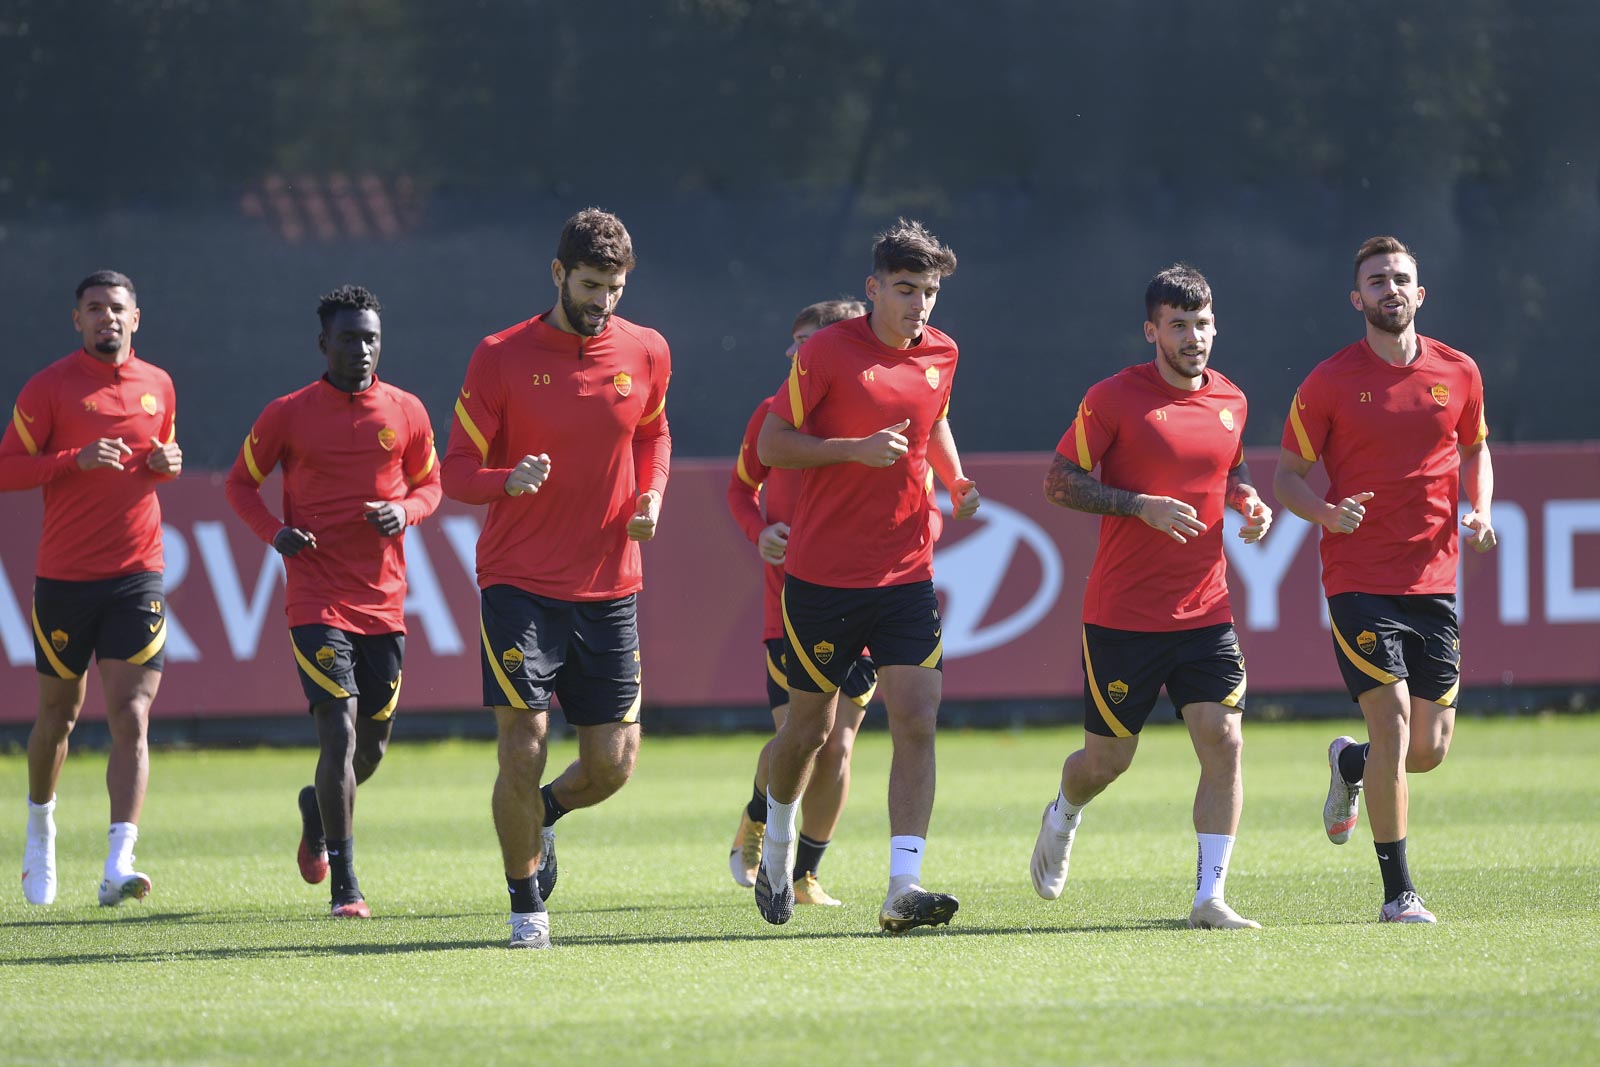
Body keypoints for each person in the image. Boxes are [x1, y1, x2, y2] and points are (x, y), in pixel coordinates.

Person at [442, 208, 671, 950]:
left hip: (611, 583)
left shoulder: (647, 349)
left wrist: (651, 495)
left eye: (615, 287)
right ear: (558, 275)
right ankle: (526, 909)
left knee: (613, 765)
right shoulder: (500, 356)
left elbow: (654, 432)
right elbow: (455, 472)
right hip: (520, 582)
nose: (602, 299)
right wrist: (507, 479)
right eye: (590, 284)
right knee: (523, 742)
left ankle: (539, 813)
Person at [1031, 264, 1272, 931]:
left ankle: (1209, 898)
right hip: (1124, 616)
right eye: (1179, 325)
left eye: (1203, 323)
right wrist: (1139, 505)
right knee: (1107, 761)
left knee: (1224, 740)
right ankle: (1064, 813)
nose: (1194, 337)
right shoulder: (1113, 398)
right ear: (1151, 331)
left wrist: (1248, 499)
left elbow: (1231, 467)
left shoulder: (1231, 399)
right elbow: (1059, 481)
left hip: (1206, 610)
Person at [754, 219, 978, 933]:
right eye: (906, 289)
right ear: (873, 288)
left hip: (906, 571)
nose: (919, 304)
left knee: (917, 717)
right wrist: (852, 449)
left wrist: (955, 478)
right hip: (823, 577)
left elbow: (932, 422)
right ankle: (777, 845)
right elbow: (773, 445)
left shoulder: (942, 351)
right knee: (809, 732)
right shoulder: (825, 352)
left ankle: (903, 885)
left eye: (930, 291)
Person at [1273, 235, 1495, 924]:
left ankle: (1351, 765)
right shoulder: (1329, 381)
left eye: (1400, 278)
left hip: (1435, 580)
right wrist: (1326, 513)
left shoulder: (1459, 371)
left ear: (1419, 293)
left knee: (1426, 749)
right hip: (1359, 578)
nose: (1389, 288)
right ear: (1357, 298)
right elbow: (1287, 477)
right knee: (1394, 724)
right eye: (1376, 280)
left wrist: (1482, 508)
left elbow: (1475, 448)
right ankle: (1399, 894)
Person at [224, 285, 441, 919]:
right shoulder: (287, 414)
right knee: (339, 733)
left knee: (369, 749)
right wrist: (276, 533)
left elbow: (431, 484)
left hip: (384, 603)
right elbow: (240, 485)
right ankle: (346, 885)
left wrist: (404, 511)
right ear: (324, 344)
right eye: (349, 338)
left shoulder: (406, 410)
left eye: (371, 338)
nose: (361, 349)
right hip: (316, 597)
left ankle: (315, 813)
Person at [2, 271, 181, 907]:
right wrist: (69, 461)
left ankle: (118, 861)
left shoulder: (158, 384)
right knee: (60, 715)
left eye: (117, 308)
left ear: (136, 318)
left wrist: (168, 464)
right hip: (65, 579)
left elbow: (161, 454)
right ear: (76, 319)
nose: (107, 317)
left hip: (137, 574)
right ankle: (40, 832)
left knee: (132, 713)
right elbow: (6, 469)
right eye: (95, 308)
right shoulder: (48, 387)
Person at [726, 298, 877, 907]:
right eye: (795, 341)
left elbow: (926, 505)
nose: (796, 352)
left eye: (809, 341)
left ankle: (804, 874)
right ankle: (757, 814)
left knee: (838, 746)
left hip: (868, 601)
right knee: (800, 736)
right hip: (788, 606)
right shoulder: (772, 415)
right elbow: (741, 490)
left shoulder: (881, 416)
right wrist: (758, 531)